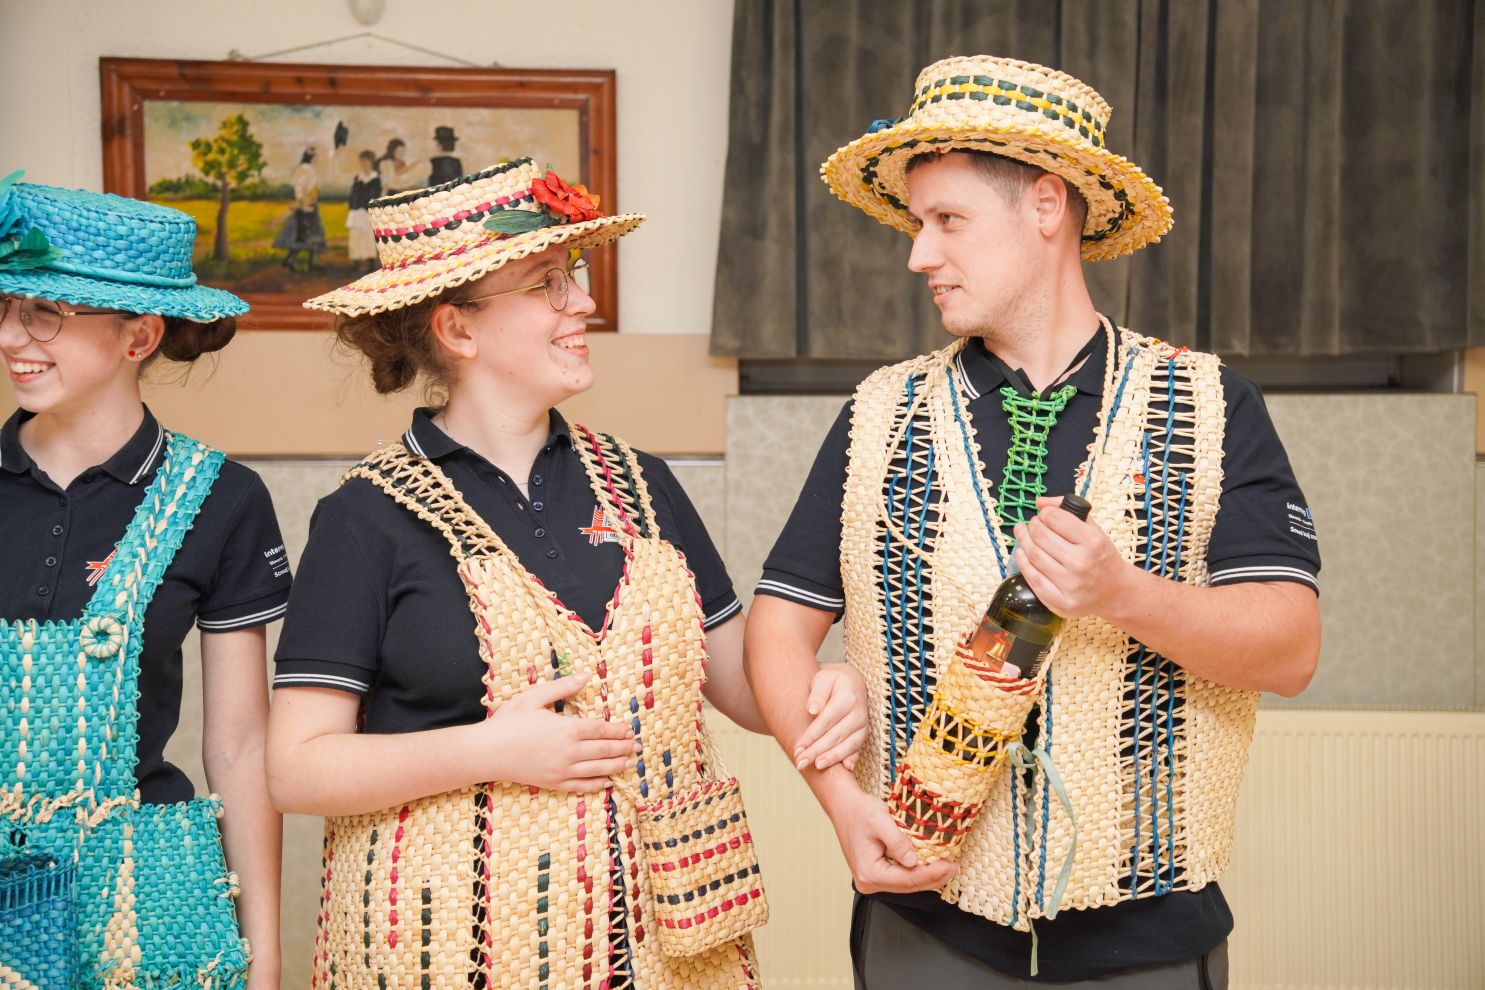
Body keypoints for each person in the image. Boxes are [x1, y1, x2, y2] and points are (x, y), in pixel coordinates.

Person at [744, 55, 1322, 988]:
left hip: (1151, 936)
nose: (918, 255)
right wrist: (838, 802)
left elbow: (1289, 651)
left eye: (947, 221)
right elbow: (776, 630)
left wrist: (1122, 594)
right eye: (917, 224)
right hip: (925, 926)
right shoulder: (879, 414)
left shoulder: (1211, 405)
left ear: (1046, 206)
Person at [265, 157, 867, 988]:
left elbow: (741, 684)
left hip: (668, 945)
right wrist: (487, 750)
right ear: (458, 329)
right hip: (449, 946)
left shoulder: (642, 484)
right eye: (547, 282)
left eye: (572, 274)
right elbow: (297, 766)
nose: (582, 303)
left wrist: (832, 683)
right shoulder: (366, 518)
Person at [0, 171, 288, 988]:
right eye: (5, 307)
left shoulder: (223, 499)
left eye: (45, 311)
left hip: (141, 900)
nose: (13, 337)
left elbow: (240, 745)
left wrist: (262, 953)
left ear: (140, 336)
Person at [274, 146, 326, 272]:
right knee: (311, 235)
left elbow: (300, 188)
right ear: (312, 158)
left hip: (305, 204)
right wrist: (305, 202)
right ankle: (308, 263)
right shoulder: (308, 169)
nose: (318, 160)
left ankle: (292, 260)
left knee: (303, 236)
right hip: (307, 205)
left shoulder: (301, 169)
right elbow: (303, 187)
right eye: (316, 157)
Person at [345, 149, 381, 274]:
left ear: (372, 162)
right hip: (356, 211)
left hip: (367, 211)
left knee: (368, 236)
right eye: (362, 161)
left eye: (366, 161)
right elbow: (353, 194)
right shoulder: (358, 178)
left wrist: (366, 205)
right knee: (355, 236)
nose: (364, 164)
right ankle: (355, 261)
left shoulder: (375, 179)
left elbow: (375, 195)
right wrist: (353, 205)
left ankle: (370, 261)